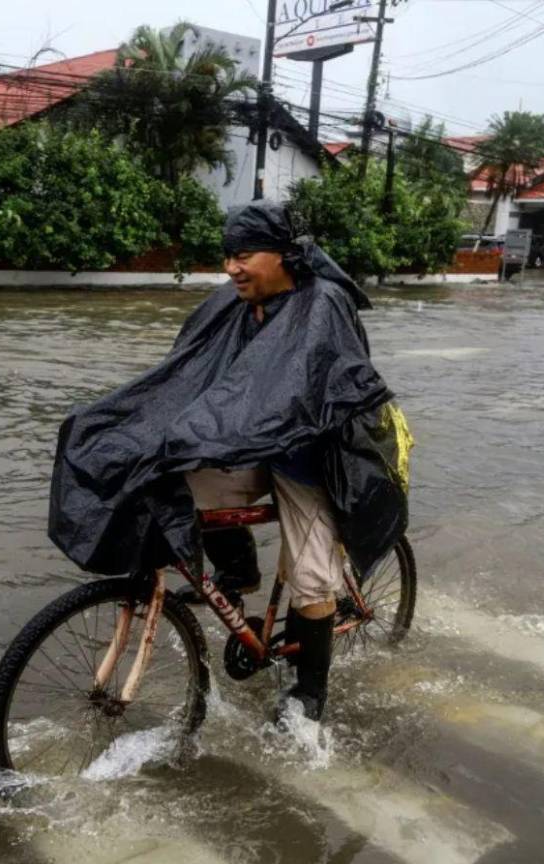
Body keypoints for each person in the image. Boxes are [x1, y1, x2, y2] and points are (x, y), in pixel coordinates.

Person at [48, 203, 409, 725]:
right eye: (228, 256)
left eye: (244, 256)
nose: (232, 267)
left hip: (313, 455)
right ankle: (237, 572)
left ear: (283, 255)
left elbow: (303, 395)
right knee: (172, 482)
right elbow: (184, 375)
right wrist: (148, 429)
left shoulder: (322, 306)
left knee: (310, 578)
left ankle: (310, 694)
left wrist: (220, 430)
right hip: (247, 443)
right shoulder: (232, 303)